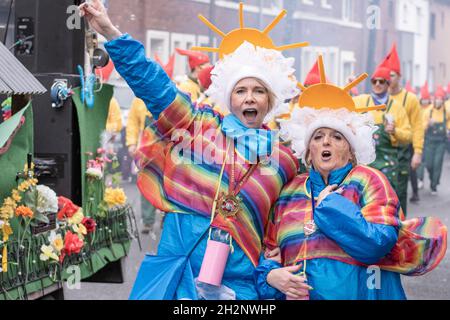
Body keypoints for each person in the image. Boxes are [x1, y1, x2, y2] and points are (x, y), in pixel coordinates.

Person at [79, 0, 301, 299]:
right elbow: (153, 84)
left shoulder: (284, 159)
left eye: (259, 91)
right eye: (241, 90)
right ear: (229, 97)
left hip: (240, 285)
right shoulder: (199, 126)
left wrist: (268, 271)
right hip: (179, 276)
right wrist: (108, 29)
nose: (250, 98)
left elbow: (285, 227)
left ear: (270, 101)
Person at [254, 57, 447, 300]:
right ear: (308, 153)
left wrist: (330, 206)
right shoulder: (289, 192)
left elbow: (377, 244)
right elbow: (266, 254)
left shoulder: (369, 180)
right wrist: (271, 276)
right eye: (318, 136)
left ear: (351, 149)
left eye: (337, 137)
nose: (326, 142)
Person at [353, 58, 412, 191]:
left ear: (388, 84)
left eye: (382, 81)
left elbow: (408, 136)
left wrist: (395, 131)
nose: (377, 84)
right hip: (365, 162)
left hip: (388, 164)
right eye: (374, 81)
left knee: (388, 199)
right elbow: (342, 105)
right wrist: (349, 87)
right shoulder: (361, 101)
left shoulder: (397, 107)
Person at [386, 44, 424, 215]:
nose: (388, 79)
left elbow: (417, 126)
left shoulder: (411, 99)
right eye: (385, 76)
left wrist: (418, 152)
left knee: (400, 196)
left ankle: (402, 232)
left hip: (402, 152)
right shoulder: (378, 98)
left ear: (399, 77)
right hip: (381, 153)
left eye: (391, 75)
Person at [422, 86, 450, 195]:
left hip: (441, 142)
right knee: (429, 164)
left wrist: (448, 129)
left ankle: (434, 185)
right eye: (437, 98)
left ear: (443, 100)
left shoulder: (446, 112)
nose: (438, 100)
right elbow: (422, 126)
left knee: (437, 164)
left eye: (440, 98)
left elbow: (448, 123)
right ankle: (432, 178)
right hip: (429, 142)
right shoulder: (428, 111)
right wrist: (428, 124)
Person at [414, 82, 432, 197]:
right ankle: (420, 179)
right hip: (420, 139)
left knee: (429, 163)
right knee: (419, 162)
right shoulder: (418, 108)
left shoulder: (431, 109)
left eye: (426, 99)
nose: (424, 101)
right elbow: (418, 124)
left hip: (430, 140)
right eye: (423, 99)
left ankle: (430, 175)